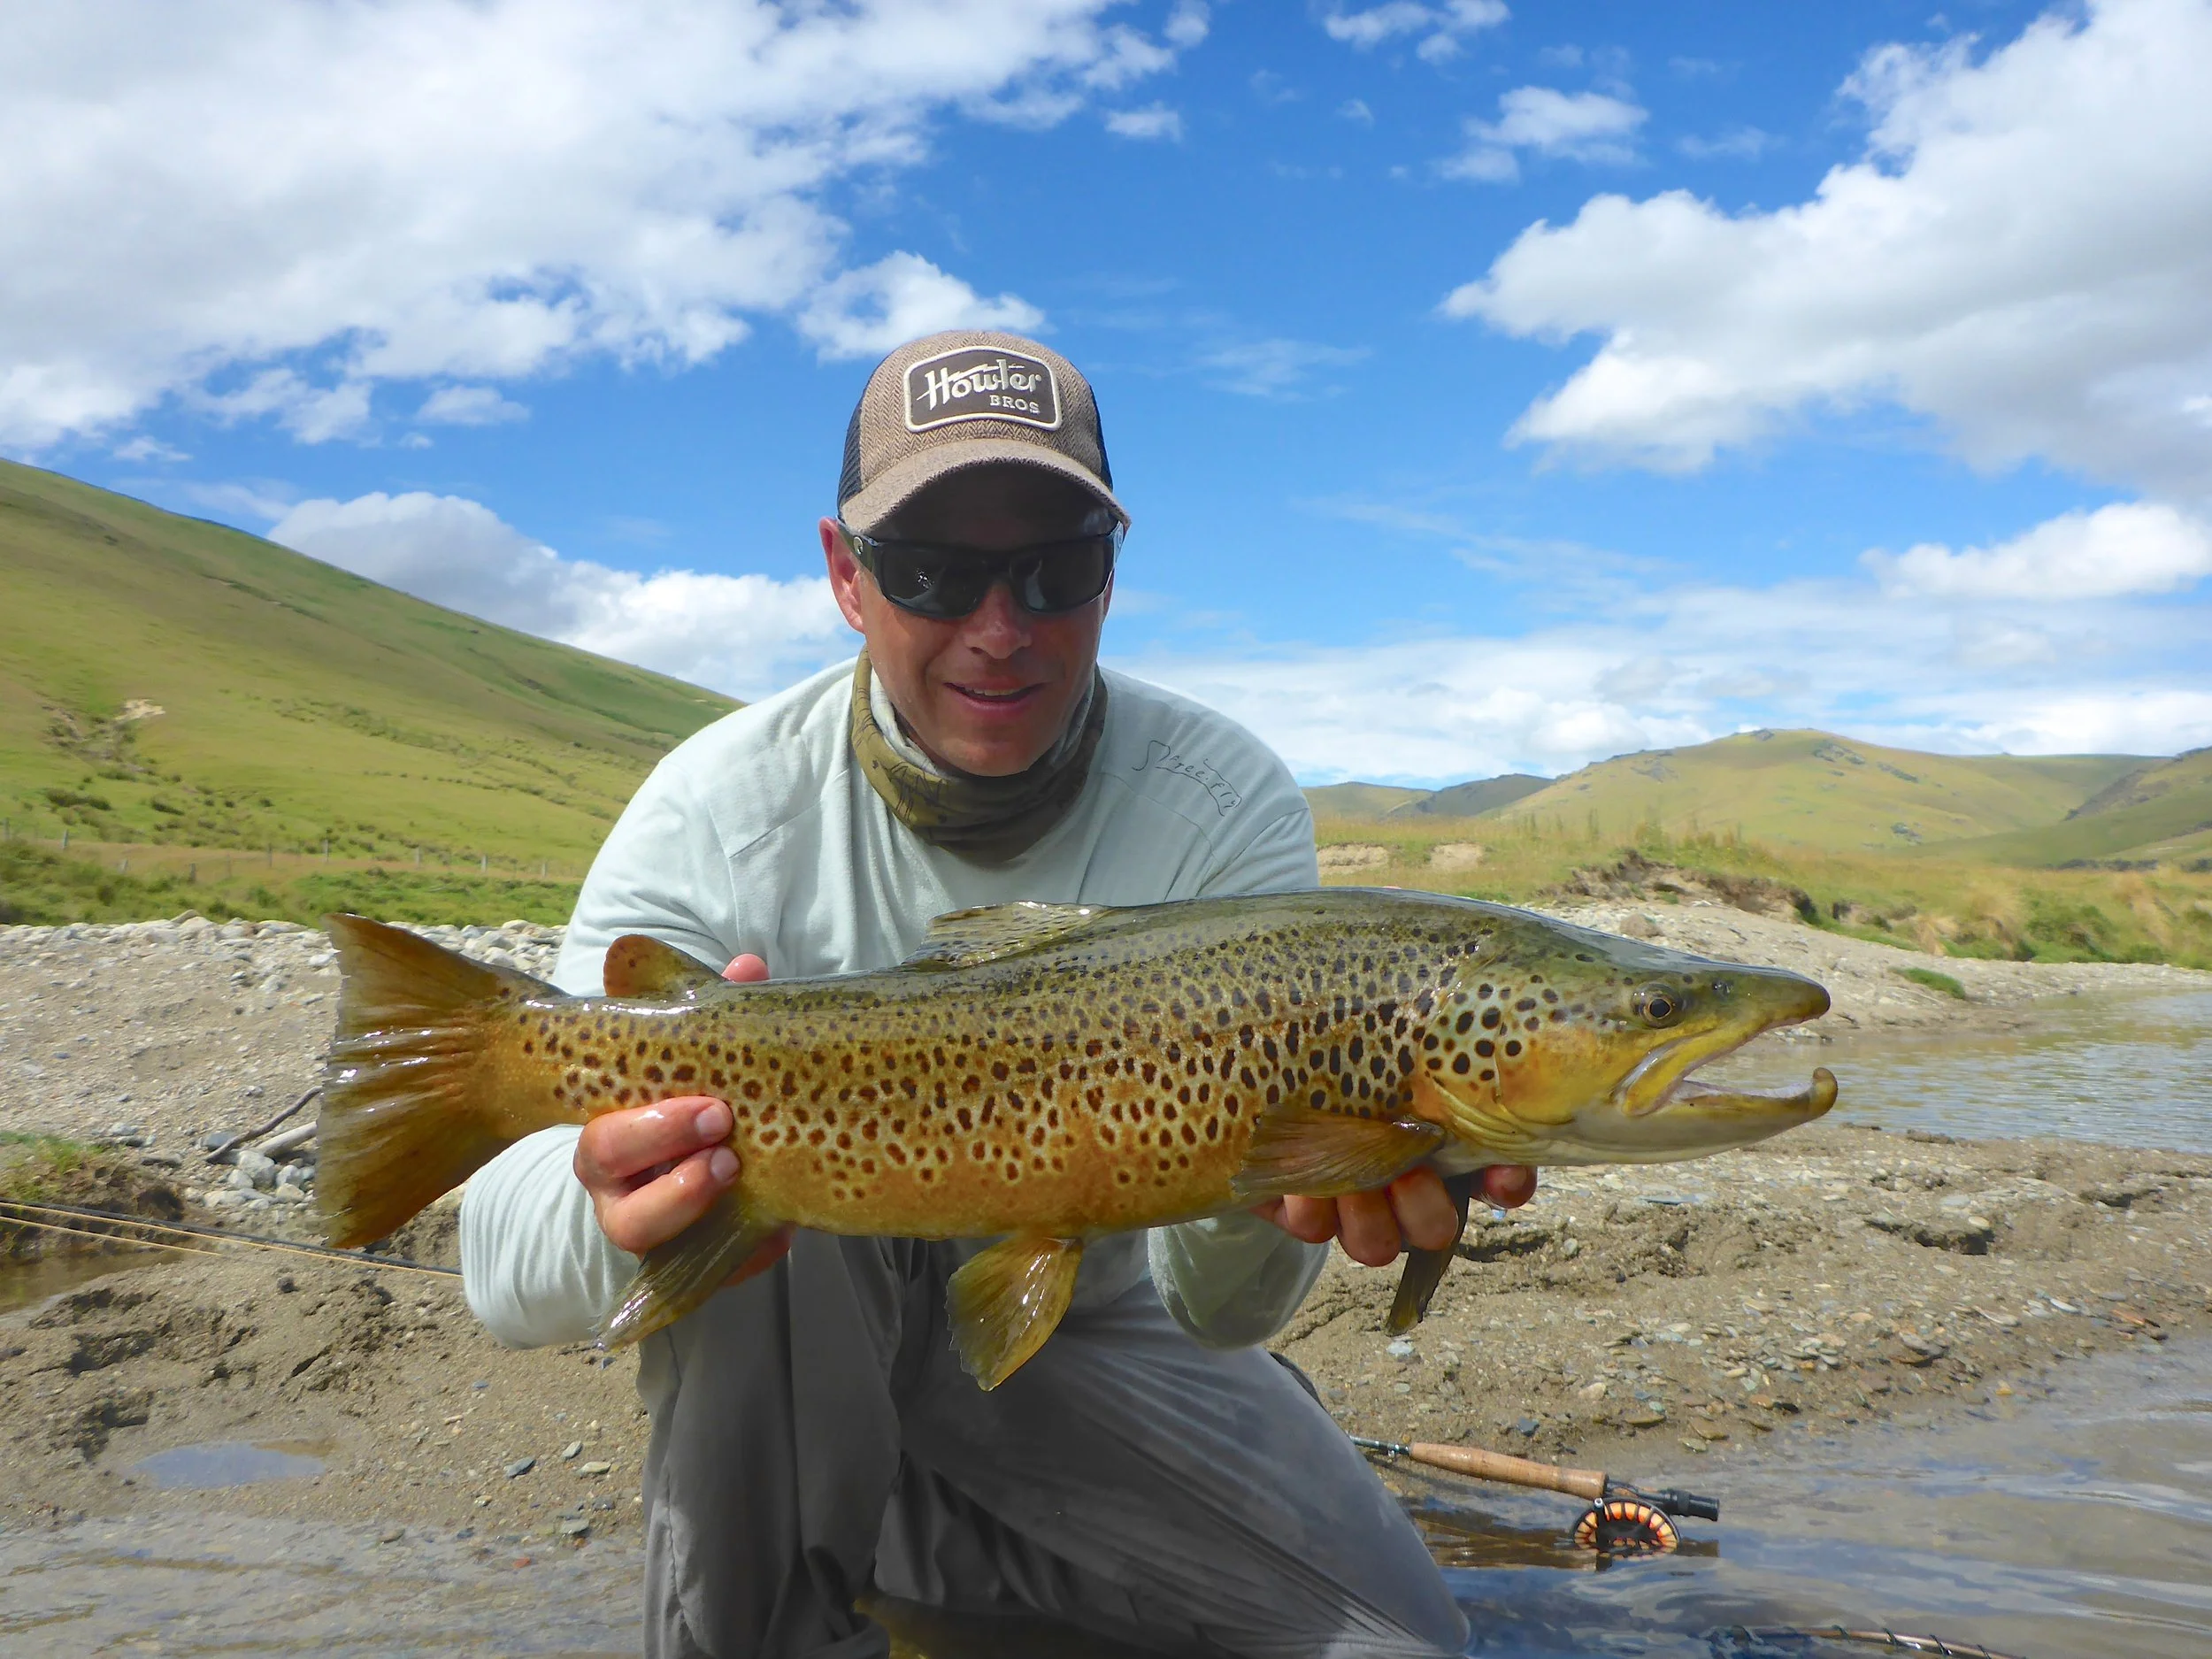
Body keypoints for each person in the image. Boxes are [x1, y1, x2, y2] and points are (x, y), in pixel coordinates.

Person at [459, 331, 1536, 1659]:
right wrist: (619, 1202)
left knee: (1400, 1646)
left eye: (1055, 566)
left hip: (1090, 1334)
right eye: (934, 569)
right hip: (792, 1347)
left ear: (1111, 571)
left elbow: (1221, 1311)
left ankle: (950, 1563)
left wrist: (1284, 1190)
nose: (1000, 625)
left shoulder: (1221, 804)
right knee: (756, 1201)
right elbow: (499, 1271)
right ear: (846, 576)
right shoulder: (718, 811)